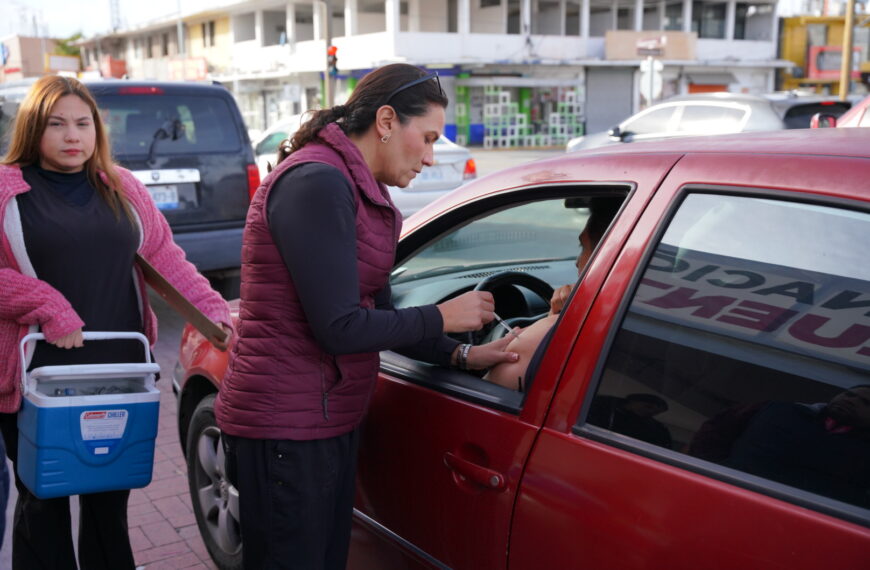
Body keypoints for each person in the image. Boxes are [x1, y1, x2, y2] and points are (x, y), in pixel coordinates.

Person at [214, 64, 518, 570]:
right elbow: (340, 328)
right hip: (284, 427)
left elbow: (382, 313)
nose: (429, 157)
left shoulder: (355, 188)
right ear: (385, 121)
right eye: (426, 138)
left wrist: (463, 354)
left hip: (320, 418)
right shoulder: (317, 183)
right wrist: (441, 317)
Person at [0, 75, 232, 569]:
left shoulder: (121, 185)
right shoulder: (5, 189)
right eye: (57, 124)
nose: (72, 136)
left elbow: (164, 257)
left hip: (119, 371)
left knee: (110, 502)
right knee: (42, 501)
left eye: (83, 124)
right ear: (33, 129)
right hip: (38, 375)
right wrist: (48, 306)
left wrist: (215, 314)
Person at [484, 197, 621, 391]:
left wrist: (463, 356)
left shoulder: (536, 340)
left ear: (607, 255)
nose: (576, 262)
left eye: (583, 247)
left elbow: (483, 399)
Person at [689, 385, 870, 507]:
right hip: (721, 495)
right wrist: (712, 473)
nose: (851, 400)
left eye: (865, 402)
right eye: (849, 394)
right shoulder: (775, 410)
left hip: (800, 523)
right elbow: (715, 433)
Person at [587, 393, 673, 448]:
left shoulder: (655, 429)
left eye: (656, 412)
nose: (650, 412)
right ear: (632, 401)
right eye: (648, 407)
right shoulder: (602, 407)